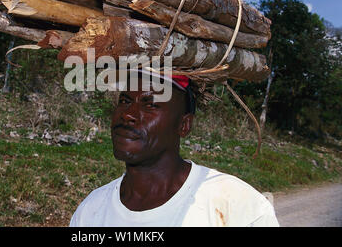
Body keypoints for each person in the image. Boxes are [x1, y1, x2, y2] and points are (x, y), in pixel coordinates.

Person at [70, 69, 279, 227]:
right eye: (125, 100)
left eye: (150, 104)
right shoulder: (90, 212)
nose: (128, 114)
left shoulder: (237, 206)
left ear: (184, 125)